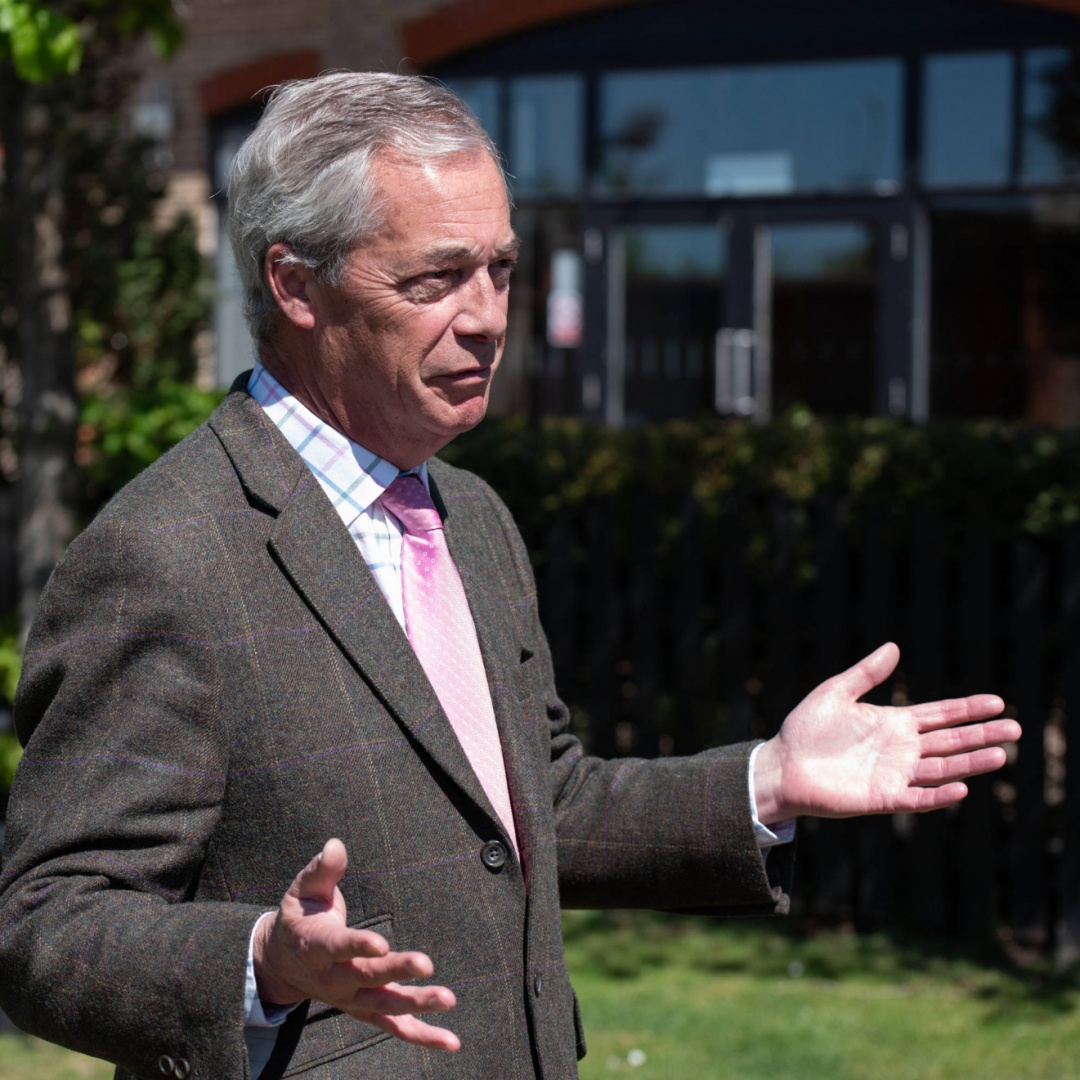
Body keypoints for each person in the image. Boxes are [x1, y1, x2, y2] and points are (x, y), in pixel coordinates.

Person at [0, 72, 1019, 1080]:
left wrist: (766, 781)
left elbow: (536, 808)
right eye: (436, 279)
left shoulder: (471, 517)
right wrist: (260, 960)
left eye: (500, 269)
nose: (488, 316)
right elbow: (46, 922)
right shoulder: (165, 554)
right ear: (295, 285)